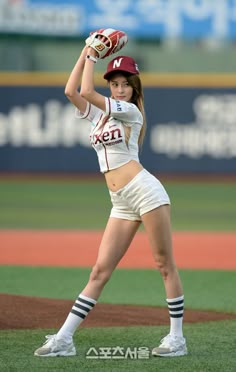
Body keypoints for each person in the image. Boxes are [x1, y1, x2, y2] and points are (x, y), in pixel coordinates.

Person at [34, 36, 187, 358]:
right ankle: (64, 339)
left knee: (163, 264)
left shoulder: (130, 112)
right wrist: (83, 51)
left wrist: (93, 54)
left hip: (145, 192)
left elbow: (88, 91)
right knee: (99, 271)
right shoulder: (98, 116)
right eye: (114, 83)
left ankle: (177, 339)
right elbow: (71, 92)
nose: (119, 89)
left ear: (134, 88)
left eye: (124, 84)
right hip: (120, 202)